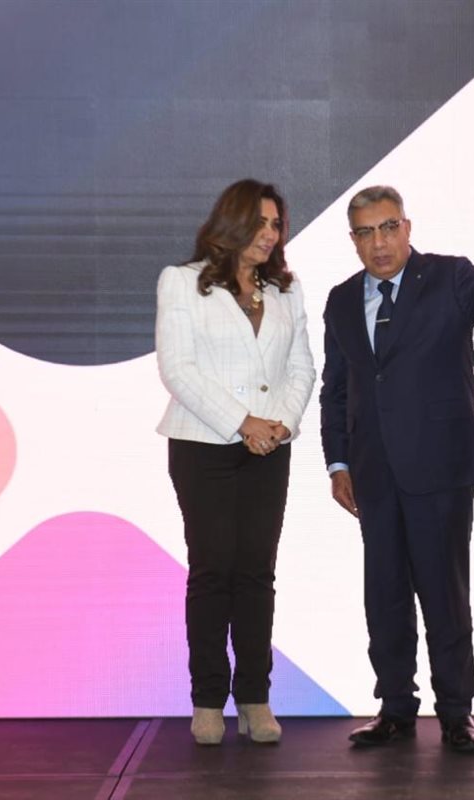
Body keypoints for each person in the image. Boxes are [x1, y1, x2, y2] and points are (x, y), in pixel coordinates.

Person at [319, 185, 474, 753]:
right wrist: (338, 461)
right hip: (372, 473)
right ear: (353, 240)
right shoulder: (342, 299)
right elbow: (336, 388)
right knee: (384, 595)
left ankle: (457, 712)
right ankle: (394, 708)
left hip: (440, 466)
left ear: (407, 228)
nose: (379, 242)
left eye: (389, 227)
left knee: (444, 594)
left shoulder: (450, 276)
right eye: (366, 232)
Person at [155, 179, 316, 746]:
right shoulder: (181, 282)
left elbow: (302, 368)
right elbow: (178, 369)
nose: (270, 234)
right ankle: (207, 700)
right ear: (232, 223)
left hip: (270, 446)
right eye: (261, 223)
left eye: (276, 225)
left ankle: (254, 696)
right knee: (212, 570)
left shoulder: (287, 289)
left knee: (256, 573)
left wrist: (281, 424)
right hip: (204, 445)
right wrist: (243, 422)